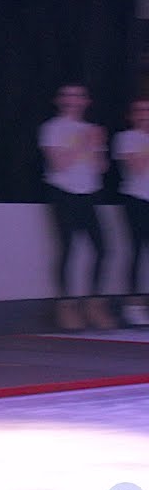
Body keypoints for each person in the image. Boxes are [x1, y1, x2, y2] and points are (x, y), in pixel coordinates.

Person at [40, 83, 113, 331]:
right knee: (67, 247)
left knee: (103, 248)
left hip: (89, 193)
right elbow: (59, 164)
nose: (72, 99)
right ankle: (66, 304)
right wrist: (83, 141)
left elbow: (101, 167)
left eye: (78, 95)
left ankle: (93, 303)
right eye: (67, 95)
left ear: (86, 101)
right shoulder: (52, 128)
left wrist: (98, 145)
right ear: (59, 100)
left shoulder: (91, 129)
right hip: (63, 192)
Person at [114, 99, 149, 326]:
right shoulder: (125, 138)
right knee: (137, 250)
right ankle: (133, 306)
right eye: (139, 110)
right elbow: (137, 167)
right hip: (136, 199)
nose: (144, 114)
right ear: (131, 115)